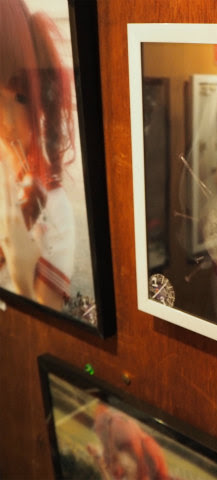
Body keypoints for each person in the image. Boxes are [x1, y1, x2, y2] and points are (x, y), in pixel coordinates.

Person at [0, 0, 76, 310]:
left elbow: (50, 329)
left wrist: (21, 278)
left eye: (18, 98)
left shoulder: (54, 210)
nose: (6, 121)